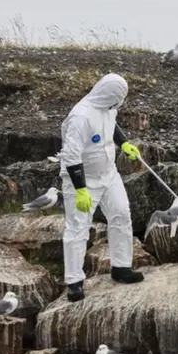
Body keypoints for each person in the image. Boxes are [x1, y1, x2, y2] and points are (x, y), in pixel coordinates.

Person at [60, 73, 145, 302]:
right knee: (78, 228)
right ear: (109, 94)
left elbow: (112, 125)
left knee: (121, 213)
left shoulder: (108, 106)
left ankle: (121, 267)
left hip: (109, 173)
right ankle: (74, 281)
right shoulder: (81, 117)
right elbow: (70, 155)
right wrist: (80, 188)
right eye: (119, 97)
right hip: (82, 179)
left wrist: (124, 143)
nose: (120, 102)